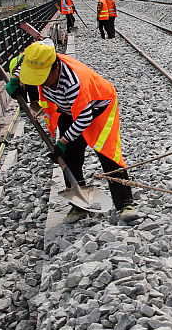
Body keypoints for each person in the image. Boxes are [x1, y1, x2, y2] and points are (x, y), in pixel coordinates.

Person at [10, 41, 136, 223]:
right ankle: (78, 204)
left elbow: (84, 118)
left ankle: (125, 203)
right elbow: (21, 62)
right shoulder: (36, 60)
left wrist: (63, 141)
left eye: (44, 78)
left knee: (107, 153)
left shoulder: (73, 82)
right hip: (68, 109)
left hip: (98, 107)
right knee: (70, 157)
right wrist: (15, 79)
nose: (41, 82)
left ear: (55, 68)